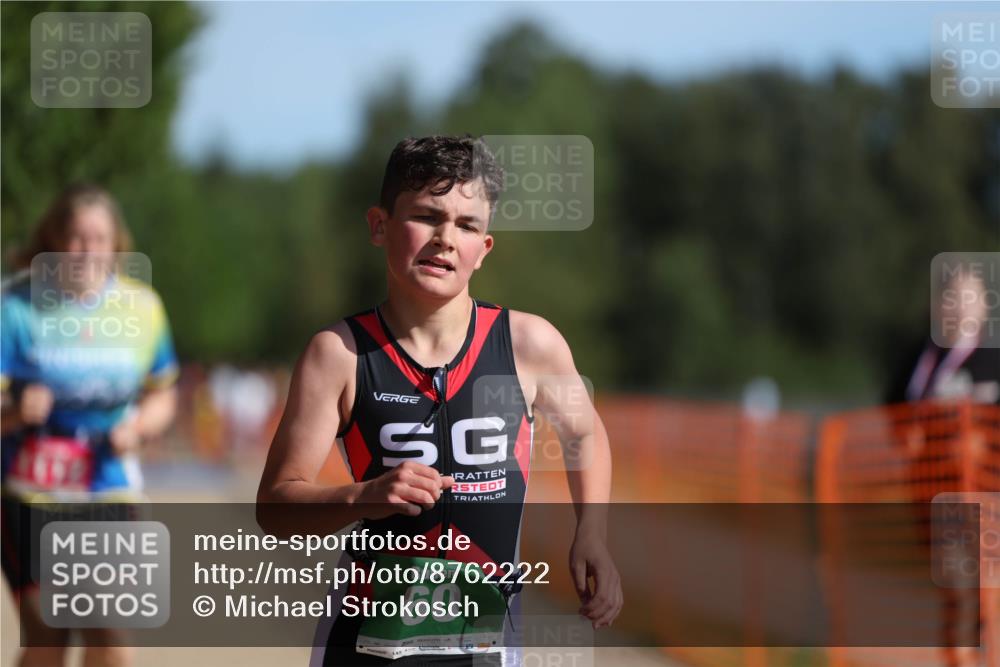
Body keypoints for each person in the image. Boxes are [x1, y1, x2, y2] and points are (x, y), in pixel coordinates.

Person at [257, 135, 622, 666]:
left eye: (467, 225)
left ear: (484, 249)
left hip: (486, 649)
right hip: (364, 646)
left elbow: (585, 432)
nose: (445, 239)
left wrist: (592, 533)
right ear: (379, 226)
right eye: (427, 216)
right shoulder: (337, 354)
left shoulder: (529, 344)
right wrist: (365, 496)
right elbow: (274, 506)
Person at [1, 183, 179, 667]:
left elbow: (163, 393)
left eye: (97, 238)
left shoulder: (141, 308)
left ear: (115, 244)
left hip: (108, 487)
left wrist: (139, 428)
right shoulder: (14, 306)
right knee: (48, 633)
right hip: (29, 493)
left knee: (109, 627)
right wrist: (15, 413)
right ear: (53, 239)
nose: (85, 250)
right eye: (75, 237)